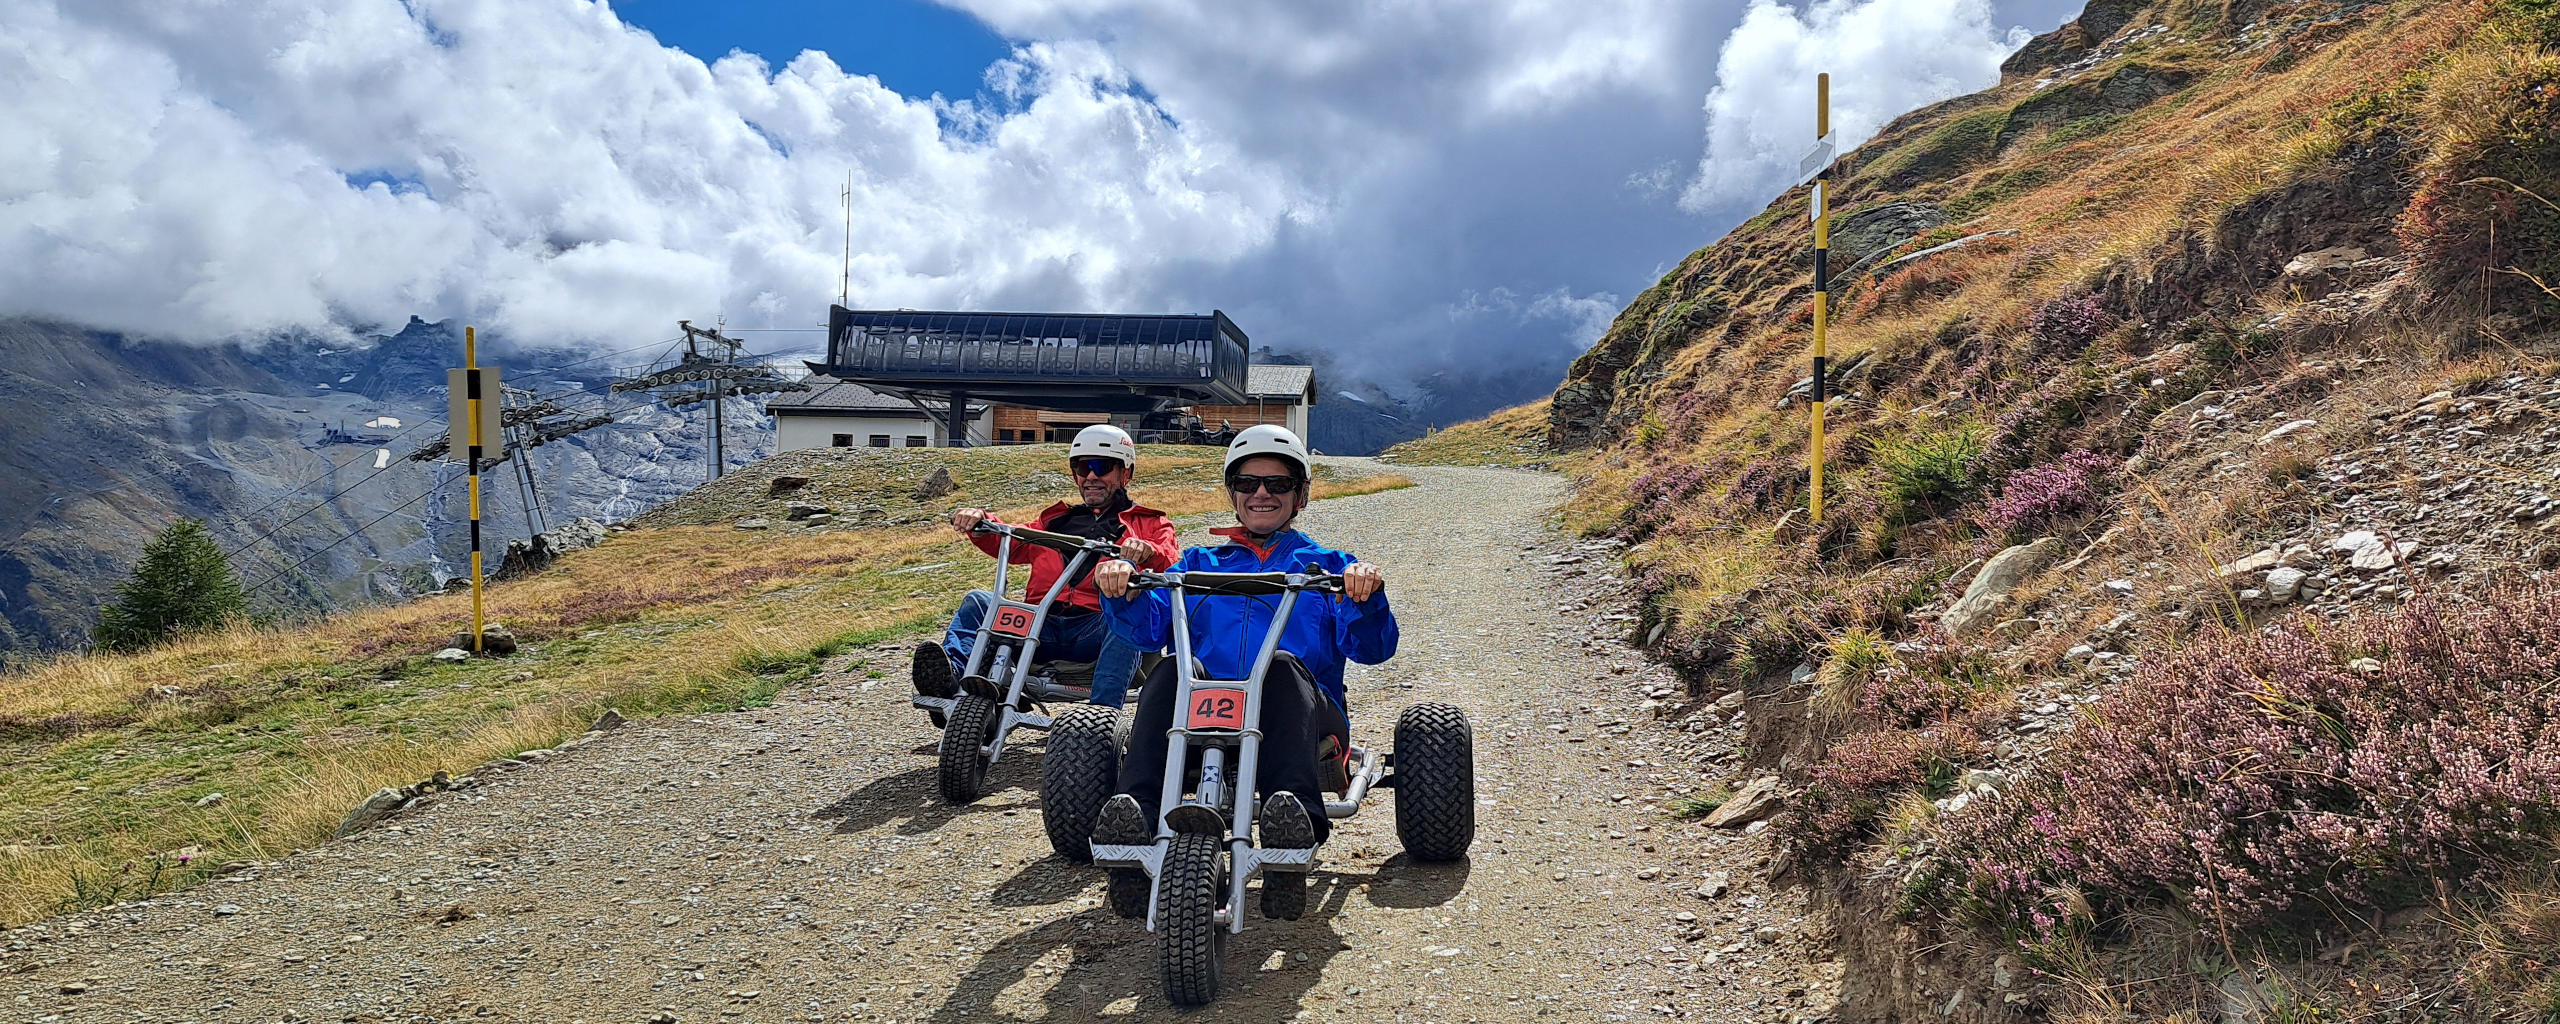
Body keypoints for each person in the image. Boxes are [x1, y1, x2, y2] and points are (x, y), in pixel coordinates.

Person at [1089, 425, 1394, 854]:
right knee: (1175, 667)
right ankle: (1135, 809)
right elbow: (1147, 630)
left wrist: (1365, 597)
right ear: (1233, 494)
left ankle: (1295, 816)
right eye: (1247, 483)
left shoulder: (1329, 567)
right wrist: (1121, 590)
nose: (1261, 494)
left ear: (1299, 495)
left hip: (1301, 718)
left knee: (1282, 666)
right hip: (1203, 712)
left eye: (1278, 484)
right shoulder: (1196, 564)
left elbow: (1373, 650)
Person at [914, 424, 1177, 708]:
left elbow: (1171, 561)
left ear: (1126, 472)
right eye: (1081, 467)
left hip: (1096, 627)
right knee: (977, 601)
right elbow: (1011, 541)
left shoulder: (1149, 523)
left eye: (1102, 467)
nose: (1090, 476)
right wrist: (979, 521)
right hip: (1039, 623)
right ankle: (952, 680)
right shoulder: (1055, 521)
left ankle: (1098, 723)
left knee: (1127, 616)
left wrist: (1146, 551)